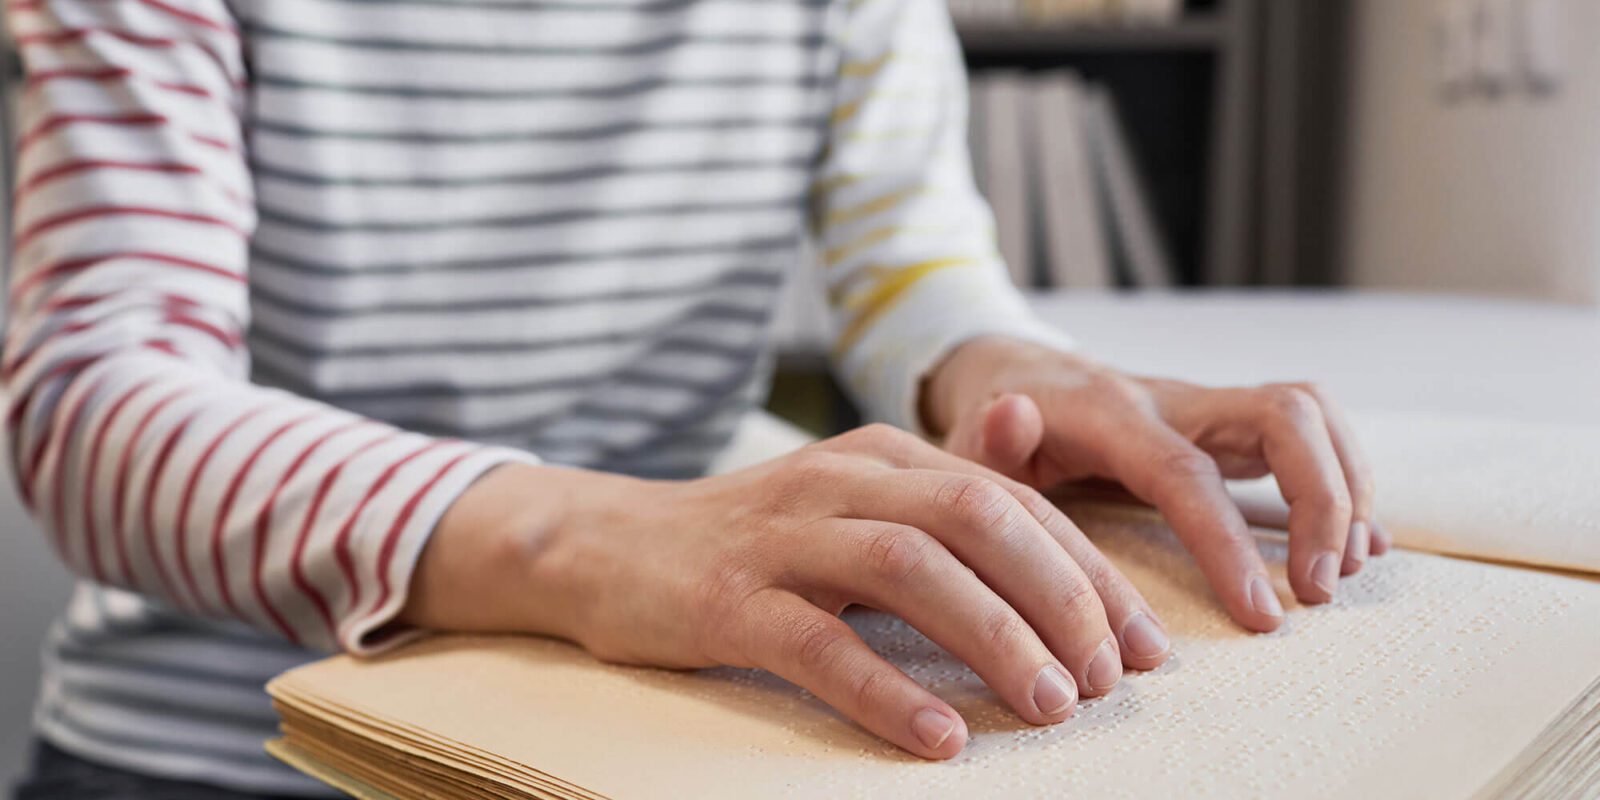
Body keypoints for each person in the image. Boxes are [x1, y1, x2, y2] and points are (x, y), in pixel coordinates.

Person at [3, 0, 1383, 795]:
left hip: (658, 735)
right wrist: (600, 541)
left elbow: (914, 264)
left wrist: (1016, 373)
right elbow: (96, 406)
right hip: (224, 743)